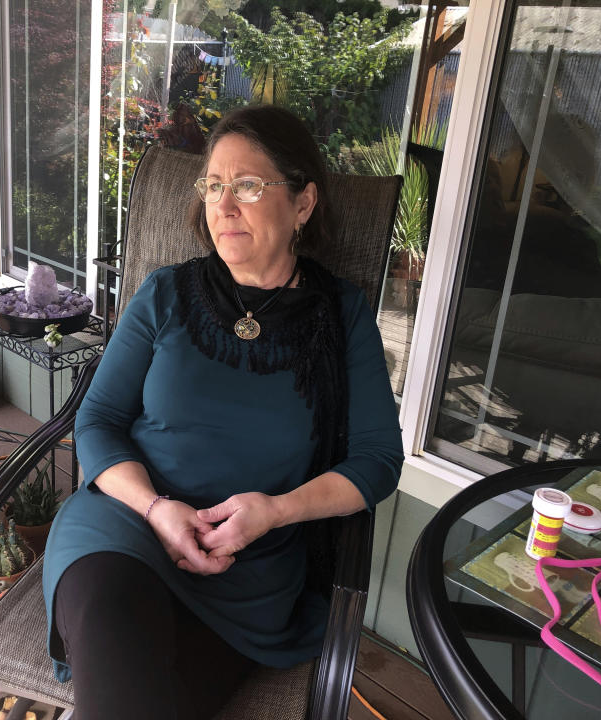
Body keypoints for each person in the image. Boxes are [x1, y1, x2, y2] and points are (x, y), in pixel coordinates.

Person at [41, 104, 404, 720]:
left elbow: (377, 460)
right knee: (114, 650)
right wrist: (157, 510)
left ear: (303, 204)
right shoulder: (165, 294)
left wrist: (277, 512)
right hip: (126, 531)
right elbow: (96, 420)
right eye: (213, 186)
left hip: (249, 570)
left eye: (248, 186)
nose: (223, 205)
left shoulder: (341, 318)